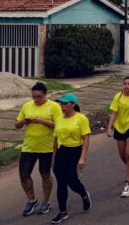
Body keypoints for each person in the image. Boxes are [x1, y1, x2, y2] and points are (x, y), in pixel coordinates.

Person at [15, 82, 62, 216]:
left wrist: (41, 121)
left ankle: (46, 201)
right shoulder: (27, 106)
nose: (36, 99)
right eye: (34, 96)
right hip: (29, 146)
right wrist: (24, 121)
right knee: (24, 175)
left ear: (46, 95)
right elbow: (17, 125)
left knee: (45, 174)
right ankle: (32, 200)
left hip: (47, 147)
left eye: (39, 97)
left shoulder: (54, 107)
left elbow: (59, 125)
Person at [50, 93, 91, 224]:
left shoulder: (81, 118)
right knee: (61, 183)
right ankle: (62, 212)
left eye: (65, 103)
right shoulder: (59, 119)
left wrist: (82, 158)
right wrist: (53, 159)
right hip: (62, 152)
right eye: (61, 103)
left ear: (72, 104)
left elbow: (86, 138)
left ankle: (84, 194)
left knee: (72, 181)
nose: (62, 106)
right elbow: (56, 140)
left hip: (76, 151)